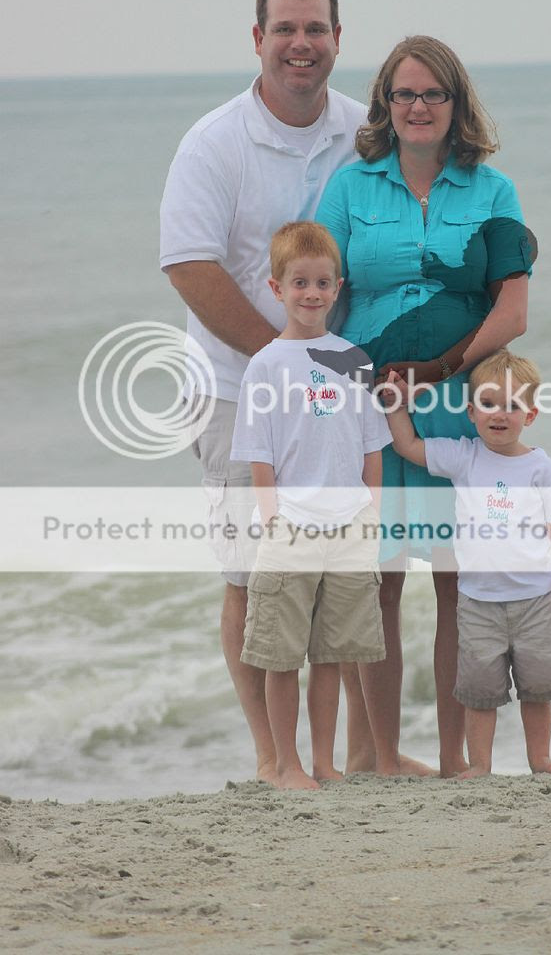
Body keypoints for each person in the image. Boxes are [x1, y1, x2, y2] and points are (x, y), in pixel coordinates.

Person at [159, 0, 366, 785]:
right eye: (284, 29)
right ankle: (273, 759)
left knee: (338, 574)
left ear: (337, 40)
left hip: (334, 397)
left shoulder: (362, 130)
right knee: (253, 576)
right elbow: (188, 264)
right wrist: (285, 355)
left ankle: (354, 754)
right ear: (257, 39)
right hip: (230, 388)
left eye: (314, 29)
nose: (300, 44)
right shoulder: (213, 142)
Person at [316, 35, 536, 777]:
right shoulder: (349, 189)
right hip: (369, 407)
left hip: (457, 406)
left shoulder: (493, 192)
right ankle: (382, 760)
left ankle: (453, 761)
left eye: (432, 93)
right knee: (376, 583)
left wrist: (439, 368)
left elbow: (511, 312)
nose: (417, 106)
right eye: (403, 93)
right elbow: (321, 295)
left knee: (456, 584)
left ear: (455, 102)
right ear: (385, 103)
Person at [230, 221, 391, 789]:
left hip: (349, 529)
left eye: (323, 283)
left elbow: (372, 448)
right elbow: (259, 455)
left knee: (332, 655)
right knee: (281, 656)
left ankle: (324, 762)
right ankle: (287, 764)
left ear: (338, 287)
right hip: (290, 531)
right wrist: (272, 520)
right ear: (277, 288)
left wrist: (372, 515)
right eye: (299, 283)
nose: (312, 293)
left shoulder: (353, 360)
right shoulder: (266, 365)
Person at [382, 349, 551, 778]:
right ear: (472, 413)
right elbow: (408, 446)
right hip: (476, 602)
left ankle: (539, 758)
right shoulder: (465, 456)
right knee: (480, 691)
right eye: (489, 404)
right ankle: (480, 765)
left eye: (511, 405)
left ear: (530, 415)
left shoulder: (541, 469)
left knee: (537, 688)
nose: (499, 414)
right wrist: (396, 407)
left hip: (535, 600)